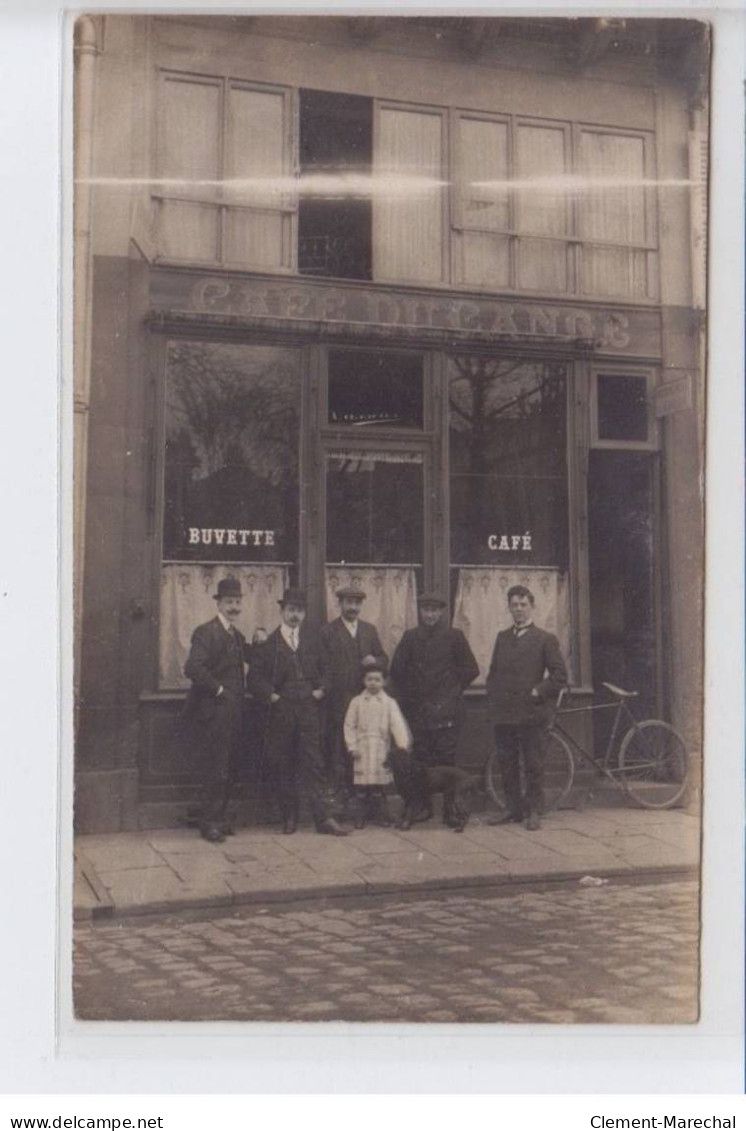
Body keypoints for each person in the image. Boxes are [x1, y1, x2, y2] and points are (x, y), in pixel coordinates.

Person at [247, 587, 350, 837]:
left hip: (309, 709)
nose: (295, 615)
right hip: (282, 710)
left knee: (314, 762)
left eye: (300, 611)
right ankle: (289, 817)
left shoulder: (314, 641)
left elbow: (328, 670)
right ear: (282, 611)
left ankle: (323, 819)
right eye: (291, 610)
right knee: (285, 763)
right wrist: (272, 695)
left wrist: (321, 690)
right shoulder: (269, 644)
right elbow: (255, 678)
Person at [389, 593, 479, 826]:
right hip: (419, 713)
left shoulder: (454, 637)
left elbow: (471, 669)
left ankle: (451, 810)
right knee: (421, 764)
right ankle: (422, 808)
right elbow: (397, 670)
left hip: (447, 713)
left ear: (441, 613)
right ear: (420, 611)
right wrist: (413, 696)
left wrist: (451, 690)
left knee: (447, 763)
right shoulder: (410, 638)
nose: (430, 615)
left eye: (434, 610)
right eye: (426, 610)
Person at [485, 585, 568, 831]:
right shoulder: (502, 637)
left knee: (533, 764)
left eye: (523, 605)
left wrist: (538, 691)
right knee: (507, 763)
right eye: (514, 605)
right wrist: (494, 695)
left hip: (532, 713)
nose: (519, 609)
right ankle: (513, 808)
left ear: (532, 606)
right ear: (509, 607)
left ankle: (534, 810)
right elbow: (493, 672)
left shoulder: (545, 639)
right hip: (505, 712)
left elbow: (559, 675)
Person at [183, 577, 248, 843]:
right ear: (219, 604)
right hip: (214, 711)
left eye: (237, 602)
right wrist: (219, 690)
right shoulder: (206, 632)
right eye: (229, 602)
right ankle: (209, 823)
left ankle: (220, 820)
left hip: (233, 712)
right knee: (215, 767)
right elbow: (193, 668)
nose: (233, 607)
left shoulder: (238, 636)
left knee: (229, 766)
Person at [320, 586, 388, 817]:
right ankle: (343, 808)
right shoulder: (328, 632)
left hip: (367, 705)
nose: (353, 607)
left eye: (357, 603)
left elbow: (383, 660)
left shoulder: (369, 630)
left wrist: (375, 660)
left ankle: (370, 808)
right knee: (341, 753)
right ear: (339, 604)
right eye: (349, 602)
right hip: (338, 704)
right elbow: (322, 667)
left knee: (369, 753)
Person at [343, 659, 411, 828]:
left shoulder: (389, 703)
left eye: (377, 680)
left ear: (384, 681)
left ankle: (381, 815)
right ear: (363, 681)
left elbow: (397, 724)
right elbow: (349, 725)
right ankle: (360, 817)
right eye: (369, 679)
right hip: (362, 748)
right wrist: (352, 747)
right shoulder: (356, 702)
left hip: (381, 748)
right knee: (362, 787)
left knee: (379, 787)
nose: (373, 683)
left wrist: (401, 746)